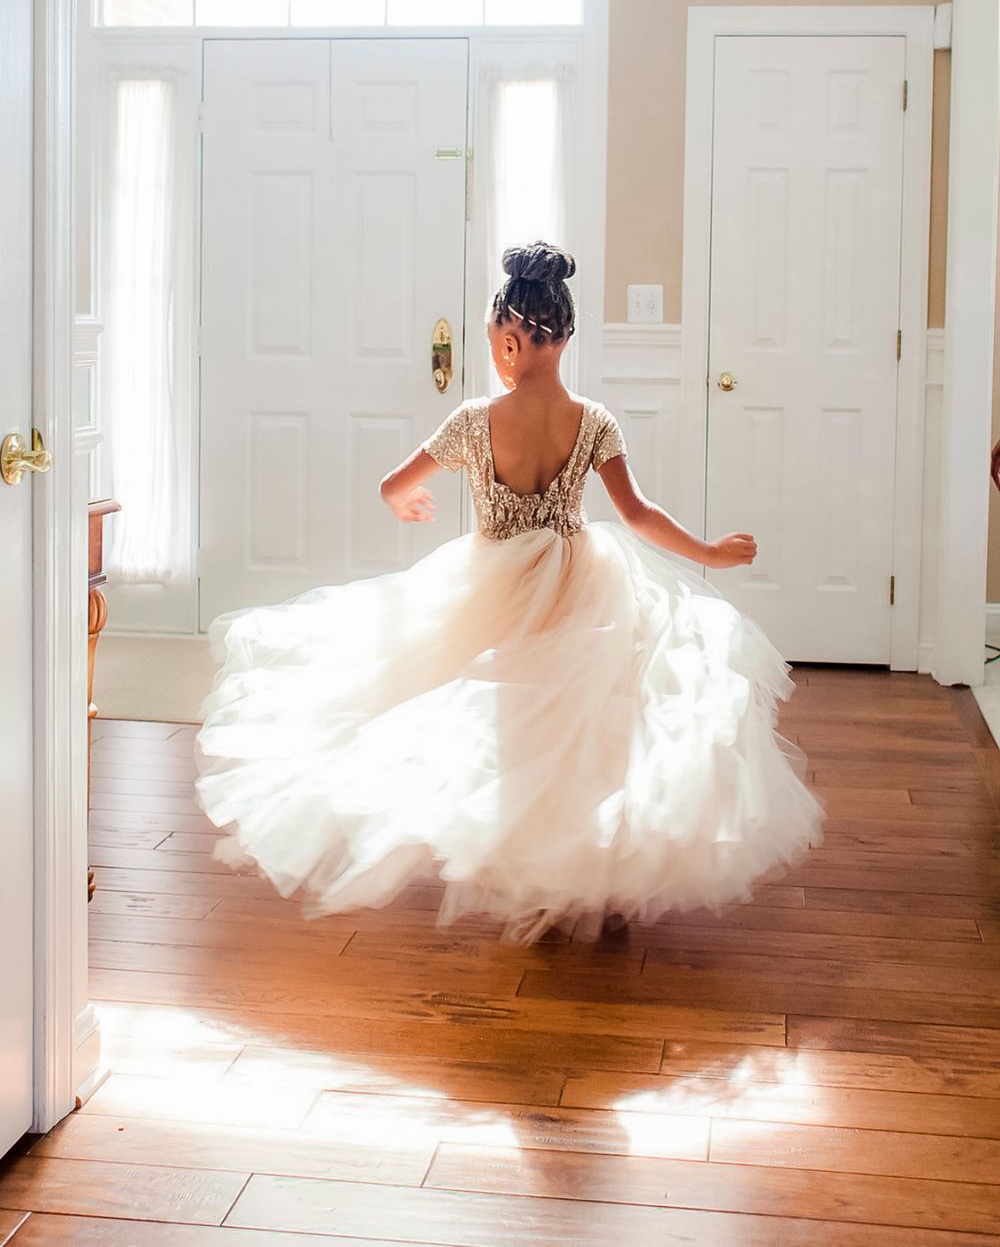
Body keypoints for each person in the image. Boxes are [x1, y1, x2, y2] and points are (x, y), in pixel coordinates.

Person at [195, 241, 823, 943]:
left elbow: (393, 484)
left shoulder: (474, 420)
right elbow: (638, 514)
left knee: (500, 719)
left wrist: (404, 502)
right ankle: (582, 861)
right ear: (567, 336)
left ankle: (516, 854)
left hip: (493, 585)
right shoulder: (594, 420)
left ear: (511, 339)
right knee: (583, 722)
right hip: (581, 585)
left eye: (497, 338)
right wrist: (709, 552)